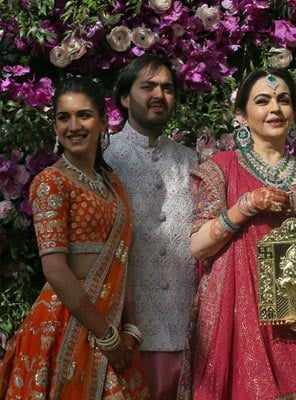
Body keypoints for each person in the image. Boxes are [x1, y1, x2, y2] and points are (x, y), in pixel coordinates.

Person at [177, 69, 296, 399]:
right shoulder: (220, 168)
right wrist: (244, 207)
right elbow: (198, 247)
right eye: (262, 101)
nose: (275, 109)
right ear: (242, 115)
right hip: (238, 323)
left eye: (284, 100)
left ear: (294, 110)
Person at [0, 77, 149, 398]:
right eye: (63, 117)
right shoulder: (51, 182)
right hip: (63, 324)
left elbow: (123, 260)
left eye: (84, 115)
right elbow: (55, 270)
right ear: (54, 125)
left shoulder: (113, 185)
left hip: (111, 328)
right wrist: (106, 335)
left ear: (102, 121)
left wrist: (130, 329)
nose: (73, 126)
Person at [104, 55, 198, 400]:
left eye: (168, 88)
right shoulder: (104, 160)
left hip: (187, 328)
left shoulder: (193, 161)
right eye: (148, 86)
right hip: (125, 333)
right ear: (125, 98)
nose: (159, 94)